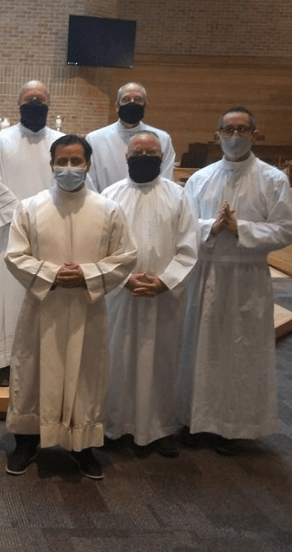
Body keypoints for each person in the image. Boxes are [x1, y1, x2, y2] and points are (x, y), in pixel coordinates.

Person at [4, 134, 136, 478]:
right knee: (32, 373)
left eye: (76, 161)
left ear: (88, 164)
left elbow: (126, 256)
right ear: (51, 164)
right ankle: (26, 441)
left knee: (86, 375)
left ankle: (84, 445)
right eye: (61, 161)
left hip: (86, 310)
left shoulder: (108, 210)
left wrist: (87, 274)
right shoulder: (30, 207)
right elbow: (15, 255)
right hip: (42, 309)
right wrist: (50, 274)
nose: (68, 167)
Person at [178, 107, 292, 455]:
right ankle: (195, 420)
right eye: (228, 129)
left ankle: (232, 426)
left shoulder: (273, 179)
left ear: (254, 135)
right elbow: (183, 226)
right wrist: (211, 227)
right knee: (200, 349)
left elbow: (286, 230)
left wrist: (240, 229)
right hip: (206, 273)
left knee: (239, 351)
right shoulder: (200, 179)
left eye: (242, 129)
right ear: (217, 134)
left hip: (247, 276)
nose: (234, 136)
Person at [100, 132, 198, 458]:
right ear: (127, 157)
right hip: (120, 295)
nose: (144, 156)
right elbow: (101, 248)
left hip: (164, 297)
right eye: (138, 152)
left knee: (162, 361)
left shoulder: (179, 196)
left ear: (162, 157)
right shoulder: (110, 196)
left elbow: (189, 248)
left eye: (151, 152)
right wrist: (124, 278)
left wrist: (165, 281)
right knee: (117, 359)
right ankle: (114, 426)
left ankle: (160, 428)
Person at [0, 80, 63, 387]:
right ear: (19, 105)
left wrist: (45, 219)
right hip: (11, 233)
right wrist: (24, 217)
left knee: (47, 302)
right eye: (30, 100)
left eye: (41, 100)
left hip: (51, 233)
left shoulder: (61, 142)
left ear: (49, 105)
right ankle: (6, 362)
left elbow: (68, 183)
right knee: (9, 299)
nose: (35, 104)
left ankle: (47, 362)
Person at [84, 82, 176, 192]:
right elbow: (90, 183)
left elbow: (166, 183)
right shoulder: (94, 140)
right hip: (106, 201)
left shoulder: (162, 139)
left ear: (145, 105)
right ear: (117, 106)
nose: (132, 103)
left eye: (138, 99)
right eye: (126, 99)